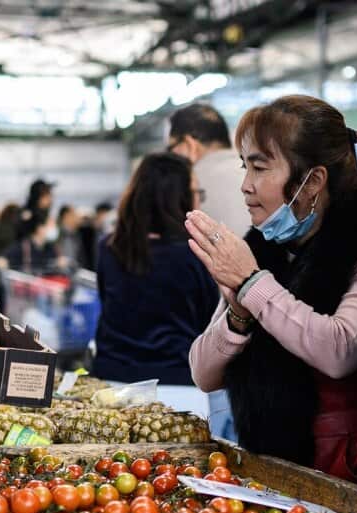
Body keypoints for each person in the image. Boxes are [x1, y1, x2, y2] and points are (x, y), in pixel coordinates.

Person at [186, 95, 357, 480]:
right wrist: (237, 316)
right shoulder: (260, 247)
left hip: (345, 475)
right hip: (267, 469)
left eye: (260, 168)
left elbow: (340, 350)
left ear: (312, 181)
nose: (246, 187)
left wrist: (253, 285)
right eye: (244, 167)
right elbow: (203, 373)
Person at [93, 152, 218, 385]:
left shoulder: (109, 247)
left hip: (112, 378)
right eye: (195, 193)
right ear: (177, 197)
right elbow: (210, 320)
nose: (199, 200)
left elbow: (105, 302)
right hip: (178, 380)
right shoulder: (196, 252)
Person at [168, 103, 249, 234]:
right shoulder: (253, 174)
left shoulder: (186, 186)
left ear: (190, 145)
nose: (170, 156)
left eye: (171, 148)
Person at [76, 201, 112, 271]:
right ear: (99, 214)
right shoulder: (88, 230)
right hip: (89, 268)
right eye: (106, 215)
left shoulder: (108, 232)